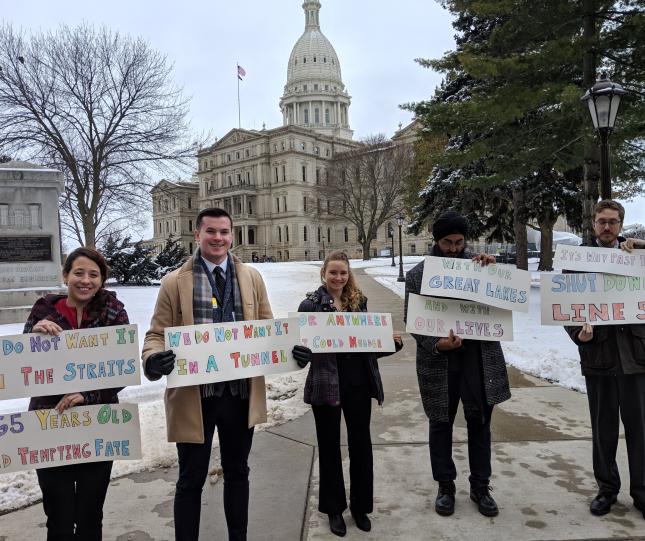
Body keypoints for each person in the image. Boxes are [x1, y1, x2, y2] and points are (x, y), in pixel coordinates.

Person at [142, 207, 310, 541]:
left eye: (223, 232)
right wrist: (151, 359)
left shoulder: (251, 277)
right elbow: (156, 334)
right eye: (211, 232)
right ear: (198, 234)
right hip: (195, 397)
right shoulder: (175, 282)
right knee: (190, 479)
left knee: (238, 473)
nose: (218, 238)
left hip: (238, 394)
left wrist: (292, 352)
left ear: (231, 235)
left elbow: (267, 328)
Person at [404, 210, 511, 518]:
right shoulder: (417, 275)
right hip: (440, 362)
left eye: (459, 241)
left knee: (480, 423)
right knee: (440, 424)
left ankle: (480, 486)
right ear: (436, 241)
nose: (453, 248)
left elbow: (499, 305)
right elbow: (414, 320)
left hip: (477, 359)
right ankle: (445, 486)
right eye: (447, 242)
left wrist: (493, 272)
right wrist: (436, 343)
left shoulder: (480, 268)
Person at [24, 247, 130, 541]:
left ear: (102, 279)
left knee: (90, 518)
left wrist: (89, 395)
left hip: (99, 424)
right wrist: (34, 335)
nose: (86, 280)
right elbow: (22, 367)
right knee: (58, 519)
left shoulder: (114, 312)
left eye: (94, 275)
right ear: (65, 275)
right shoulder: (43, 311)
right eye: (79, 273)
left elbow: (122, 369)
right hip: (50, 424)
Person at [296, 250, 403, 537]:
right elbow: (300, 350)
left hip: (357, 380)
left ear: (349, 274)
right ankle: (334, 509)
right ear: (324, 273)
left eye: (343, 272)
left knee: (361, 444)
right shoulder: (310, 306)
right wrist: (298, 353)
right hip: (326, 380)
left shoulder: (359, 302)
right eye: (333, 272)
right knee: (329, 446)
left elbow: (366, 346)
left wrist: (390, 343)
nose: (338, 277)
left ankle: (360, 506)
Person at [565, 200, 645, 519]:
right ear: (594, 225)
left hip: (636, 356)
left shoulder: (638, 255)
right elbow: (567, 304)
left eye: (613, 221)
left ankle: (642, 491)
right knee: (604, 428)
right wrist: (578, 334)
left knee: (640, 429)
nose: (607, 227)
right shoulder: (579, 260)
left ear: (621, 224)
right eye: (602, 222)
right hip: (599, 354)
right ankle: (606, 489)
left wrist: (642, 245)